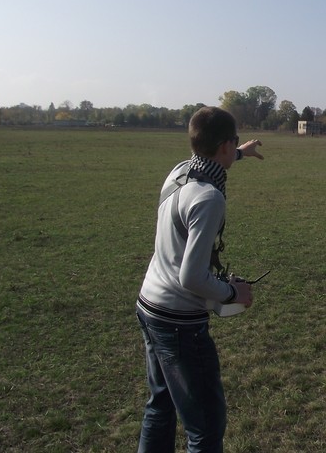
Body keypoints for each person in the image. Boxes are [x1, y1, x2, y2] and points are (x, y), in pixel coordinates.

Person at [136, 106, 263, 453]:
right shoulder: (209, 198)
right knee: (206, 427)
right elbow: (191, 277)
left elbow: (210, 158)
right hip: (179, 324)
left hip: (149, 306)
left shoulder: (181, 171)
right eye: (234, 142)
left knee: (160, 407)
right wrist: (232, 292)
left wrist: (241, 152)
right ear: (224, 145)